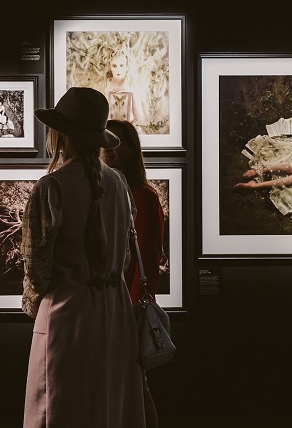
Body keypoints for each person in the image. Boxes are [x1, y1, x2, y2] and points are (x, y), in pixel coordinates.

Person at [21, 87, 145, 427]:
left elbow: (37, 267)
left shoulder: (51, 187)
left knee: (60, 407)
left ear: (61, 134)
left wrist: (35, 305)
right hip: (113, 314)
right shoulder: (119, 183)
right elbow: (124, 260)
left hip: (66, 313)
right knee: (109, 406)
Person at [103, 119, 164, 428]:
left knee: (136, 385)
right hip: (105, 306)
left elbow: (149, 261)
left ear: (130, 150)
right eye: (105, 143)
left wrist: (133, 305)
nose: (108, 150)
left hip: (127, 306)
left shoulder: (143, 197)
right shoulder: (102, 192)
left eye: (116, 144)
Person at [106, 51, 144, 124]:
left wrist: (132, 94)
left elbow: (139, 117)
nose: (118, 69)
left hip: (128, 130)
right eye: (114, 66)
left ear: (126, 67)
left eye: (121, 65)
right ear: (110, 68)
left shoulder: (132, 88)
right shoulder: (106, 88)